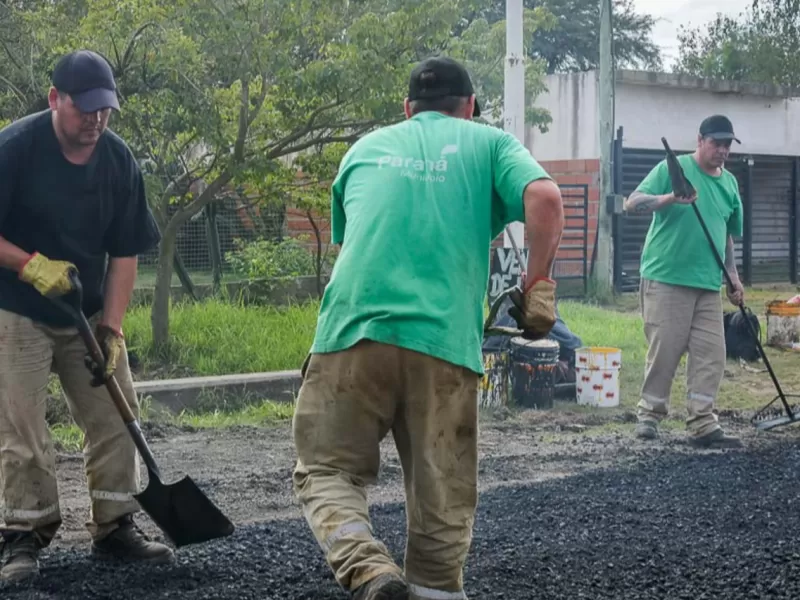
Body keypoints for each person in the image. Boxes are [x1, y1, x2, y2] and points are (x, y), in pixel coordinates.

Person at [291, 56, 564, 600]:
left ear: (406, 108)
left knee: (327, 470)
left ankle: (369, 569)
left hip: (352, 332)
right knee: (442, 490)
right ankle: (436, 591)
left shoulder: (363, 149)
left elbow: (352, 247)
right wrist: (536, 287)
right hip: (442, 343)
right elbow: (546, 199)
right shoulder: (485, 142)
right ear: (468, 108)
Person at [0, 49, 174, 582]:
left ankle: (115, 524)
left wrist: (112, 328)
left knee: (115, 413)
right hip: (17, 308)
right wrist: (29, 265)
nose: (96, 121)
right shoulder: (14, 149)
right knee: (22, 424)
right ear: (56, 99)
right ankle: (24, 534)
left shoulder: (118, 161)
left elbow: (126, 252)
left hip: (86, 310)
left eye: (105, 110)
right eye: (85, 110)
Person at [623, 114, 746, 450]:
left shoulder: (730, 184)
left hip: (708, 285)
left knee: (712, 354)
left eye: (727, 145)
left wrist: (732, 277)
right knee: (665, 351)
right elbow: (632, 202)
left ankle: (703, 422)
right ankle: (650, 415)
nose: (722, 150)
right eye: (716, 143)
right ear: (700, 140)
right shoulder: (673, 168)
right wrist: (669, 199)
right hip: (666, 277)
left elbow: (726, 236)